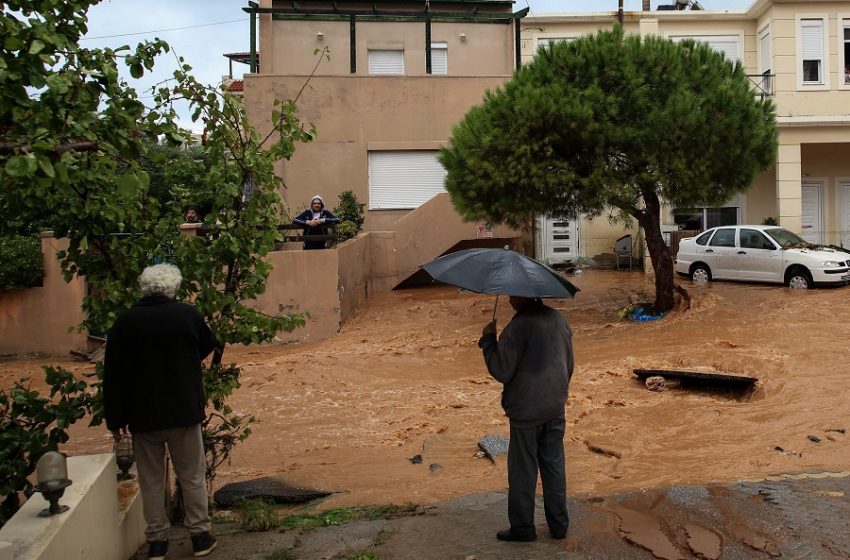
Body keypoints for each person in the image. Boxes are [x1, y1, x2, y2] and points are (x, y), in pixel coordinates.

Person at [103, 264, 218, 560]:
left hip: (143, 417)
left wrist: (115, 419)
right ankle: (201, 538)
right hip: (183, 411)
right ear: (174, 287)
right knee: (191, 475)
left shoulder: (125, 323)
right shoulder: (187, 315)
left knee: (151, 481)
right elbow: (207, 346)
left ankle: (157, 543)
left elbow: (113, 374)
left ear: (144, 287)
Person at [478, 295, 574, 542]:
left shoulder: (517, 328)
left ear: (521, 298)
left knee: (523, 470)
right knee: (554, 466)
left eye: (512, 295)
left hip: (526, 411)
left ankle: (523, 528)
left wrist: (488, 340)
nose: (509, 299)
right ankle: (559, 525)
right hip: (555, 406)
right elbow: (569, 365)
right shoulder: (558, 319)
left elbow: (501, 370)